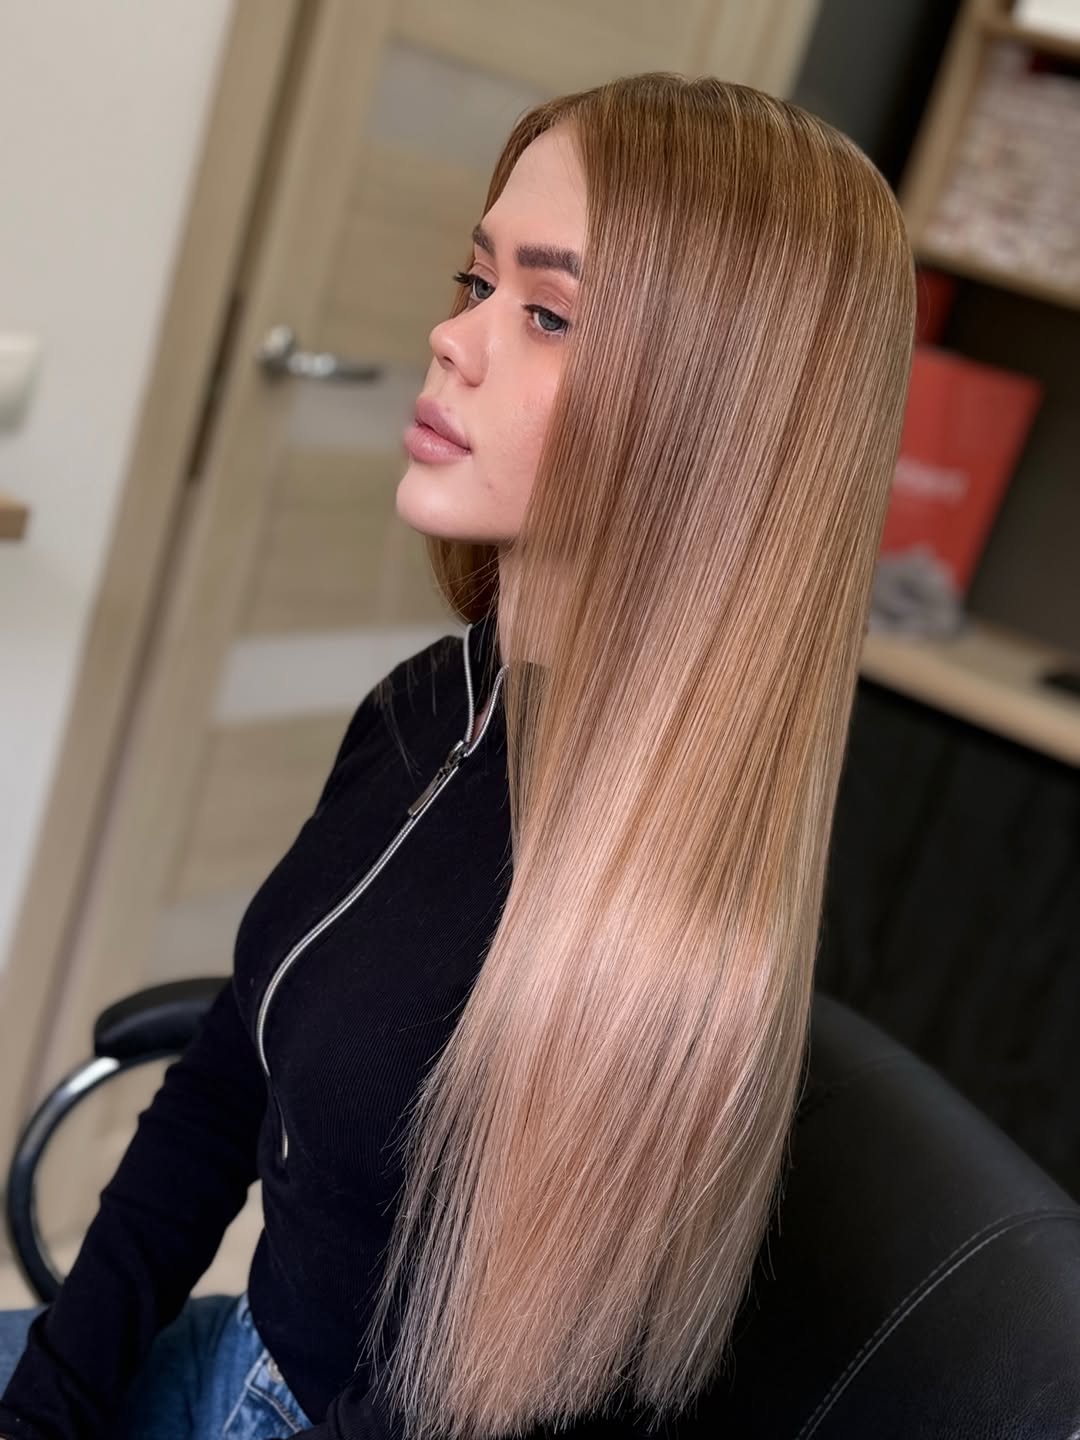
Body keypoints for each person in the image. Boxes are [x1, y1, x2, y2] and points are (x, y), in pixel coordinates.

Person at [0, 70, 915, 1440]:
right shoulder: (439, 702)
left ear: (712, 426)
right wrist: (54, 1401)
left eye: (547, 314)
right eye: (476, 281)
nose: (450, 338)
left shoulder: (642, 934)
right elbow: (230, 1072)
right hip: (238, 1352)